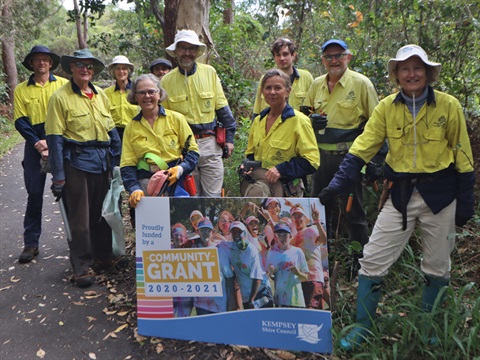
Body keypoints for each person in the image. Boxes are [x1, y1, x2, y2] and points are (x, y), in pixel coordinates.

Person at [319, 44, 475, 351]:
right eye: (405, 69)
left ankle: (430, 325)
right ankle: (363, 326)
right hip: (400, 195)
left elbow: (462, 153)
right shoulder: (387, 108)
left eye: (418, 68)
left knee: (437, 266)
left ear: (428, 73)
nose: (412, 74)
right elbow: (364, 145)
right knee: (373, 259)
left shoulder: (448, 105)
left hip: (440, 195)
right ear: (397, 75)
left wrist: (466, 198)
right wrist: (337, 183)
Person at [45, 49, 122, 288]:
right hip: (76, 162)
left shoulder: (100, 94)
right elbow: (55, 138)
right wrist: (58, 176)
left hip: (102, 161)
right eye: (80, 65)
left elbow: (111, 130)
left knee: (101, 212)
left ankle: (103, 256)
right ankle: (81, 266)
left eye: (89, 66)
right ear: (71, 69)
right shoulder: (60, 97)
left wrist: (116, 160)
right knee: (80, 217)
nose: (85, 69)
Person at [304, 39, 383, 251]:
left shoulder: (361, 84)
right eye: (328, 56)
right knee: (318, 208)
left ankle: (359, 262)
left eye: (338, 55)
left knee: (353, 211)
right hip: (320, 158)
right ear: (323, 60)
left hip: (348, 157)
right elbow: (304, 115)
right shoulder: (316, 84)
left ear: (348, 57)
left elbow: (377, 123)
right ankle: (322, 261)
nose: (334, 60)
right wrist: (310, 120)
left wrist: (376, 160)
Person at [161, 30, 236, 197]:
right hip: (184, 148)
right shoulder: (166, 81)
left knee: (213, 198)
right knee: (191, 198)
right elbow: (164, 119)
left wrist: (229, 139)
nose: (187, 53)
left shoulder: (209, 72)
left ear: (196, 51)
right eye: (183, 48)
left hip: (210, 144)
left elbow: (223, 108)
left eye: (191, 48)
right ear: (176, 51)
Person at [13, 45, 68, 264]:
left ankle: (78, 244)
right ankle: (31, 244)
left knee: (69, 193)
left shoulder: (64, 85)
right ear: (31, 64)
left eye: (45, 59)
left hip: (61, 141)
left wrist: (52, 141)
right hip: (34, 143)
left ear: (51, 63)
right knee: (34, 193)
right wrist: (38, 143)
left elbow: (68, 114)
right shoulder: (21, 89)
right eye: (37, 60)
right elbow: (20, 120)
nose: (42, 63)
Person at [120, 73, 199, 208]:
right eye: (141, 92)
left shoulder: (176, 119)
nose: (147, 96)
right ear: (135, 96)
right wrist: (134, 188)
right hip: (147, 185)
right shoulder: (131, 127)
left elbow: (193, 151)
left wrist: (180, 169)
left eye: (151, 91)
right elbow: (127, 164)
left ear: (159, 93)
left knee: (179, 225)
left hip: (176, 183)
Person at [242, 69, 319, 198]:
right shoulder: (258, 121)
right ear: (262, 92)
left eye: (278, 88)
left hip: (288, 192)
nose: (272, 92)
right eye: (268, 88)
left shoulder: (299, 121)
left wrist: (281, 170)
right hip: (259, 189)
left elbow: (312, 162)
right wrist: (247, 166)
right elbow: (251, 154)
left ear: (288, 91)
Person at [252, 37, 313, 118]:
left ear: (293, 55)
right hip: (271, 127)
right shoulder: (265, 79)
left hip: (298, 127)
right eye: (278, 55)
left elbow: (314, 108)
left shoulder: (306, 77)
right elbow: (257, 111)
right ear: (274, 57)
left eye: (285, 54)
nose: (282, 58)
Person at [219, 221, 273, 309]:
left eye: (239, 232)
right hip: (246, 296)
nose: (236, 235)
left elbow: (257, 279)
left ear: (245, 233)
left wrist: (251, 300)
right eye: (234, 232)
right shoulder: (231, 248)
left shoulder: (252, 251)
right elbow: (219, 245)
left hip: (261, 292)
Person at [193, 217, 235, 314]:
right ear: (198, 232)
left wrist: (231, 300)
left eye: (208, 230)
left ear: (212, 232)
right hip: (201, 304)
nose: (205, 233)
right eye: (202, 230)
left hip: (218, 304)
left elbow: (229, 277)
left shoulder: (219, 249)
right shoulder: (194, 250)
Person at [290, 205, 328, 309]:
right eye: (294, 217)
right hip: (301, 280)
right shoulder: (292, 240)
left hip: (314, 278)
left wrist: (317, 221)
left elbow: (324, 240)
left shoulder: (311, 230)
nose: (297, 219)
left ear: (305, 218)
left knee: (310, 311)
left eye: (300, 216)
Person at [267, 222, 308, 307]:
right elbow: (273, 277)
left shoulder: (297, 252)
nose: (282, 238)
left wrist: (298, 273)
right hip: (280, 300)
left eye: (285, 235)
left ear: (290, 236)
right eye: (279, 235)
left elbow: (306, 277)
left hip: (296, 299)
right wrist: (271, 273)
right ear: (275, 237)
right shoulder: (272, 253)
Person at [104, 55, 139, 142]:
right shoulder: (106, 93)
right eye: (118, 68)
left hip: (135, 132)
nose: (121, 71)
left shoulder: (137, 91)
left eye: (124, 68)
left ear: (129, 71)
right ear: (113, 71)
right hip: (114, 135)